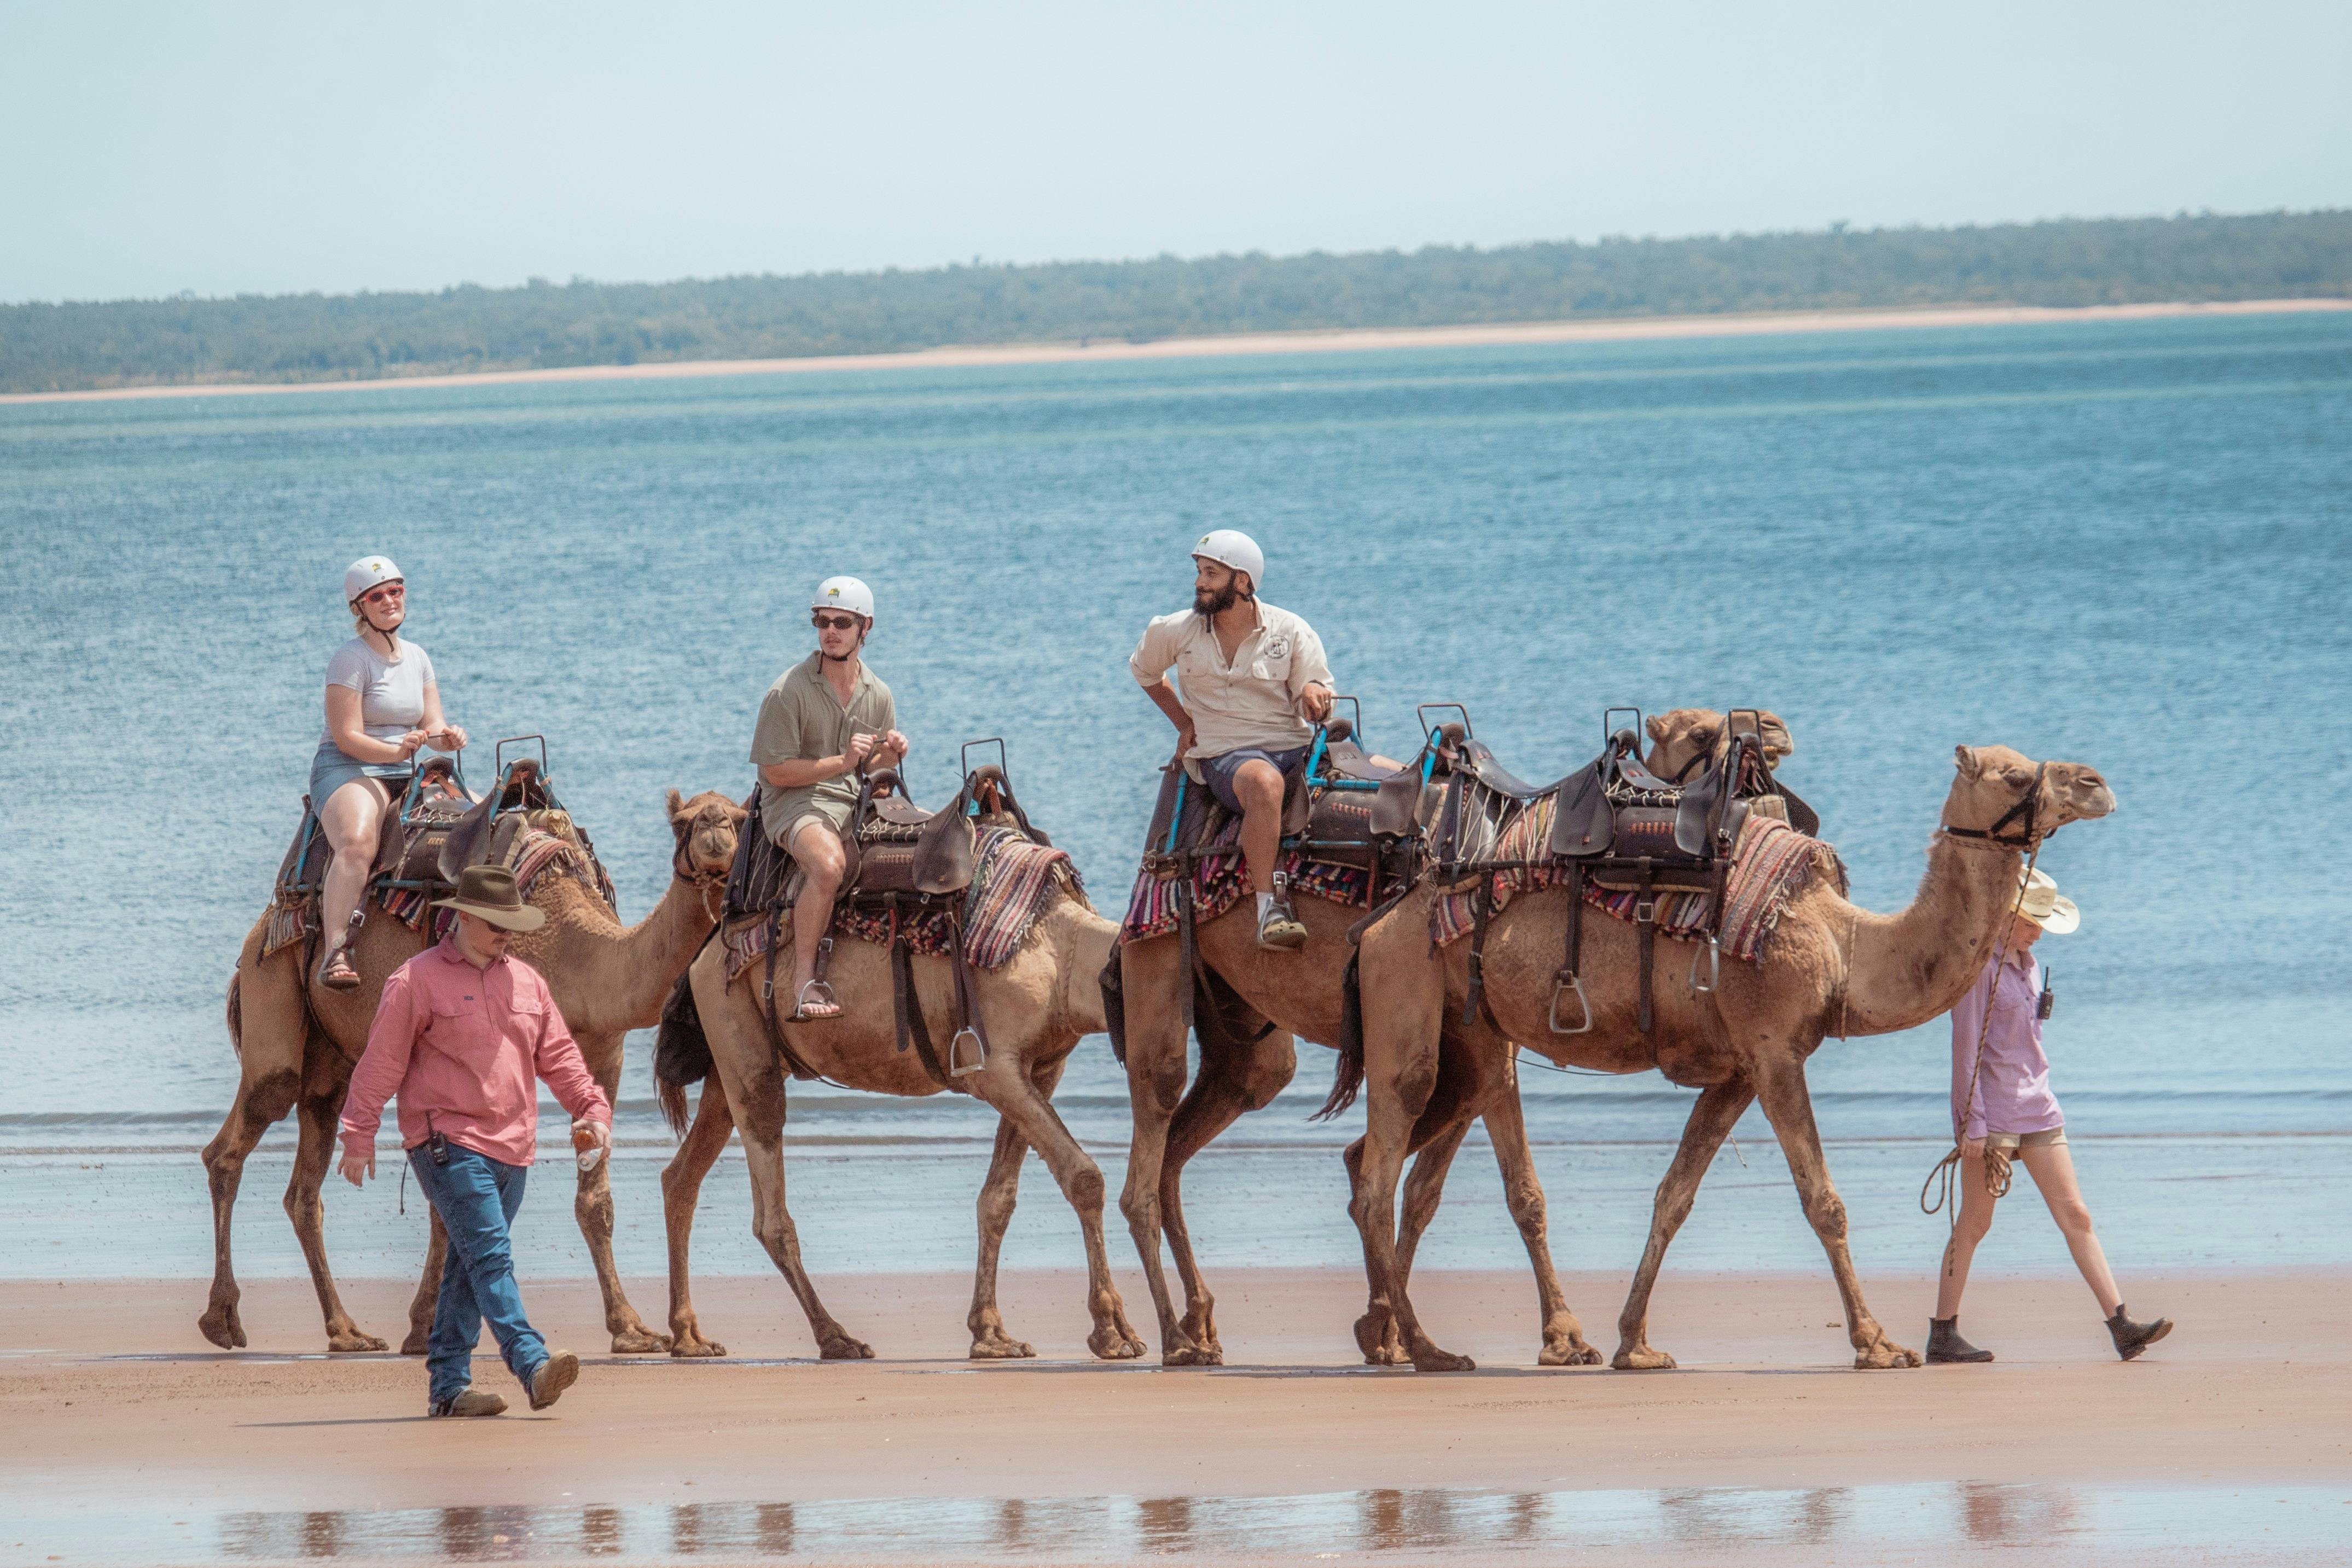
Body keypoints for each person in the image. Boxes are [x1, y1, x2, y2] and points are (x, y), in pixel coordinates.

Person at [338, 863, 610, 1418]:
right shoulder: (414, 980)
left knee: (468, 1265)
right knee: (490, 1258)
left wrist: (592, 1109)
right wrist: (358, 1134)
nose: (506, 932)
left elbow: (558, 1058)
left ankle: (448, 1388)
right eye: (494, 921)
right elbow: (381, 1063)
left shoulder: (529, 982)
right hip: (446, 1142)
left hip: (515, 1148)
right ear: (461, 916)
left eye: (512, 922)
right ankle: (532, 1363)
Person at [1930, 867, 2173, 1364]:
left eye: (2042, 923)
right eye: (2030, 922)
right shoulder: (1980, 970)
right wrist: (1969, 1124)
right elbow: (1964, 1051)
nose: (2038, 931)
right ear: (2004, 917)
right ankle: (1942, 1333)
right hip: (1990, 1115)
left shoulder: (2031, 965)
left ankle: (2121, 1325)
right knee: (1974, 1224)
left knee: (2076, 1215)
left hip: (2038, 1107)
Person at [1130, 530, 1335, 950]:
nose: (1199, 582)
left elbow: (1312, 683)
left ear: (1242, 582)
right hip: (1227, 756)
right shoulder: (1174, 631)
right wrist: (1183, 723)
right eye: (1199, 572)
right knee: (1263, 783)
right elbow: (1145, 672)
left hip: (1295, 749)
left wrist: (1315, 695)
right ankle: (1270, 910)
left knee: (1390, 774)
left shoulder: (1290, 629)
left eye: (1211, 573)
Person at [750, 575, 908, 1019]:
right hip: (793, 802)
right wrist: (843, 762)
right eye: (821, 621)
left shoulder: (878, 693)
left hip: (853, 799)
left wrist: (889, 755)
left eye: (842, 622)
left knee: (935, 839)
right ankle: (805, 981)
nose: (830, 631)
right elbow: (774, 771)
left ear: (866, 627)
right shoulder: (787, 692)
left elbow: (875, 773)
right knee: (827, 865)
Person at [309, 556, 467, 990]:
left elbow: (430, 725)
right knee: (358, 840)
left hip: (405, 766)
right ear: (359, 608)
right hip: (351, 767)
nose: (389, 600)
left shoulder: (417, 657)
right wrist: (396, 748)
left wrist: (446, 737)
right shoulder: (350, 660)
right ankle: (335, 948)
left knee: (476, 824)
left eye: (395, 590)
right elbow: (346, 736)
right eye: (376, 596)